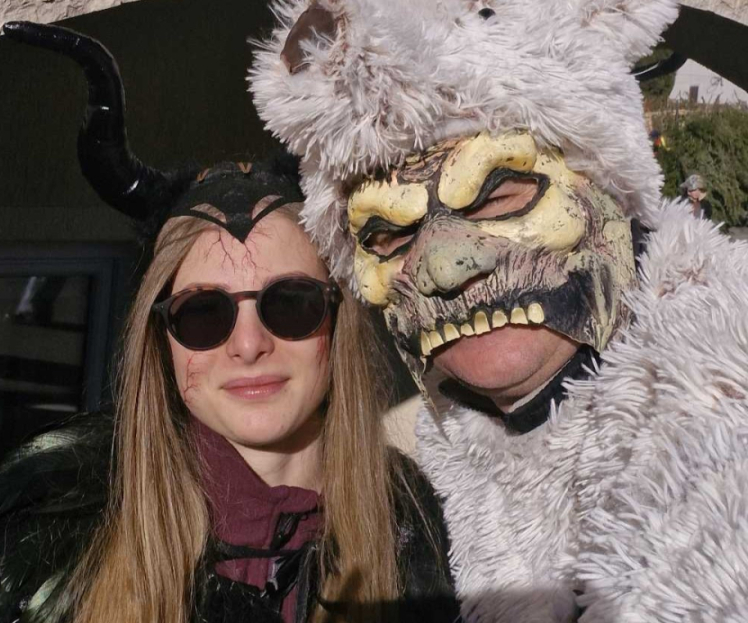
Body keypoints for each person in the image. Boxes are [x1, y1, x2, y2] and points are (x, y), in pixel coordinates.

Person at [0, 22, 459, 623]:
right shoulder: (44, 548)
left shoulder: (424, 528)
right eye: (204, 313)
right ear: (161, 342)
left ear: (338, 320)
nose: (249, 345)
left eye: (290, 303)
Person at [251, 0, 748, 621]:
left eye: (498, 197)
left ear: (609, 197)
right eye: (390, 235)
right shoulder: (430, 467)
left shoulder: (720, 409)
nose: (442, 266)